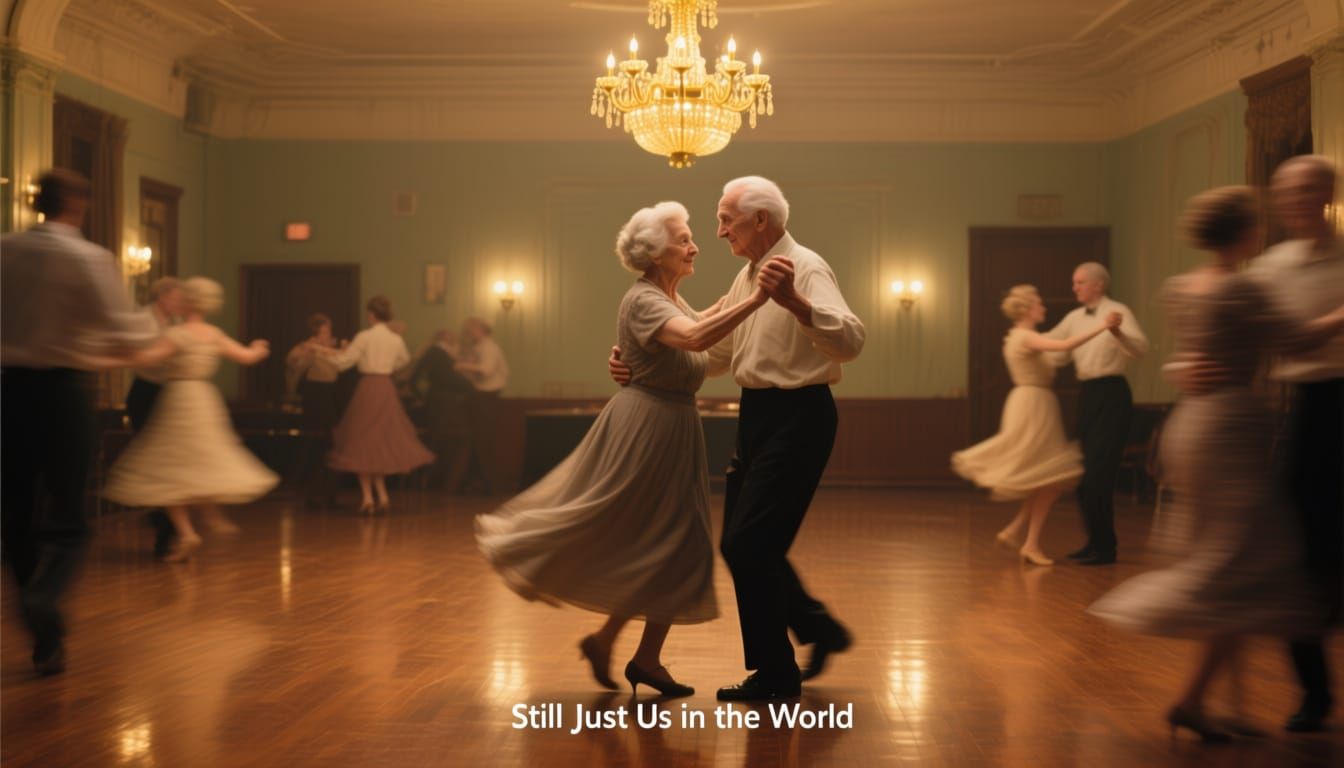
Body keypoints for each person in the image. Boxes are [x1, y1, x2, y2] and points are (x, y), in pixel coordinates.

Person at [479, 201, 767, 697]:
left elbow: (707, 323)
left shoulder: (670, 299)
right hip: (648, 426)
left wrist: (747, 289)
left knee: (678, 544)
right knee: (644, 534)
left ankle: (632, 652)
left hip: (672, 426)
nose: (694, 245)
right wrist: (761, 295)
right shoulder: (644, 301)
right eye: (683, 239)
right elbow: (698, 336)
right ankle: (625, 648)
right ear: (656, 252)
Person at [1089, 185, 1344, 741]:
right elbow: (1299, 341)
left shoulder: (1186, 286)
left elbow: (1192, 354)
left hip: (1190, 424)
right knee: (1242, 565)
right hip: (1230, 428)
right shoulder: (1244, 287)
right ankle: (1192, 700)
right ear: (1247, 233)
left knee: (1232, 557)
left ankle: (1228, 704)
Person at [613, 176, 866, 700]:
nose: (719, 229)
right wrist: (641, 365)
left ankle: (778, 671)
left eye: (726, 218)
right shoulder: (748, 275)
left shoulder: (805, 267)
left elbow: (851, 340)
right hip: (758, 416)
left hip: (800, 414)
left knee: (750, 543)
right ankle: (816, 632)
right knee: (744, 544)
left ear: (760, 221)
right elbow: (714, 356)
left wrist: (795, 302)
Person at [1, 169, 159, 674]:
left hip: (7, 389)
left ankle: (42, 629)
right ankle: (45, 598)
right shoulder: (88, 258)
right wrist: (153, 331)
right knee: (70, 517)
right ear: (77, 202)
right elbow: (125, 332)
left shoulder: (4, 249)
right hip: (63, 393)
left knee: (15, 512)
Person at [1248, 156, 1344, 732]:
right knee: (1295, 552)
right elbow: (1263, 341)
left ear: (1328, 194)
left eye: (1305, 189)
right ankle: (1314, 692)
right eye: (1283, 191)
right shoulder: (1270, 267)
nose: (1292, 200)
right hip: (1298, 412)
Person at [102, 277, 279, 562]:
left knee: (168, 467)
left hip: (179, 398)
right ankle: (210, 517)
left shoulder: (179, 334)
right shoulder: (214, 334)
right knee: (202, 460)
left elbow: (148, 359)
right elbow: (247, 357)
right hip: (204, 400)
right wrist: (259, 348)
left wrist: (114, 356)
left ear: (186, 301)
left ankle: (187, 532)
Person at [952, 285, 1120, 565]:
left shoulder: (1023, 337)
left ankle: (1018, 533)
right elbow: (1065, 346)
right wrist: (1103, 326)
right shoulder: (1025, 337)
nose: (1043, 307)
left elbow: (1060, 351)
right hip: (1032, 404)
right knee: (1048, 474)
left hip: (1035, 402)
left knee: (1044, 477)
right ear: (1028, 308)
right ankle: (1027, 541)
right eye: (1039, 303)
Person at [1044, 261, 1149, 565]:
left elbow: (1140, 349)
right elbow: (1054, 346)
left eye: (1079, 282)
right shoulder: (1074, 317)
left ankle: (1106, 547)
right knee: (1085, 474)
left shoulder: (1119, 311)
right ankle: (1094, 542)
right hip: (1088, 396)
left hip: (1113, 395)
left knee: (1099, 475)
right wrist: (1023, 338)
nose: (1074, 287)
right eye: (1074, 282)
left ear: (1098, 285)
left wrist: (1117, 332)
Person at [323, 296, 433, 513]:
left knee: (362, 442)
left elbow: (344, 363)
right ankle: (382, 495)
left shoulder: (364, 336)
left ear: (371, 315)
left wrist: (324, 353)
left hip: (368, 388)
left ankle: (367, 498)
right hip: (386, 389)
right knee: (380, 442)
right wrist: (388, 365)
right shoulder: (395, 339)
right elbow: (404, 360)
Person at [124, 277, 185, 556]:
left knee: (170, 461)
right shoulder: (142, 318)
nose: (180, 301)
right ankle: (162, 520)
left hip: (168, 393)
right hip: (145, 393)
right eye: (177, 296)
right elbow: (135, 353)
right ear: (162, 296)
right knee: (152, 459)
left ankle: (166, 523)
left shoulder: (175, 325)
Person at [404, 329, 473, 490]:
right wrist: (470, 387)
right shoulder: (440, 354)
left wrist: (421, 397)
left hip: (436, 401)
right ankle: (436, 483)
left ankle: (429, 482)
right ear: (446, 338)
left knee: (435, 440)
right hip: (445, 404)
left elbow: (414, 378)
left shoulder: (433, 352)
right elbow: (449, 378)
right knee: (443, 441)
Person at [286, 313, 342, 507]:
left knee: (330, 445)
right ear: (316, 331)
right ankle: (311, 493)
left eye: (329, 330)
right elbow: (292, 361)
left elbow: (341, 363)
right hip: (316, 398)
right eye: (325, 330)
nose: (329, 333)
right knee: (315, 445)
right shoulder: (306, 347)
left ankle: (329, 493)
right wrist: (310, 350)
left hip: (331, 396)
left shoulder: (332, 348)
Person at [454, 317, 509, 495]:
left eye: (471, 329)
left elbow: (486, 370)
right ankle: (482, 485)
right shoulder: (479, 347)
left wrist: (464, 365)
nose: (468, 333)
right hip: (480, 397)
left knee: (483, 442)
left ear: (480, 329)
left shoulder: (489, 347)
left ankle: (491, 486)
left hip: (487, 398)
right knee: (479, 442)